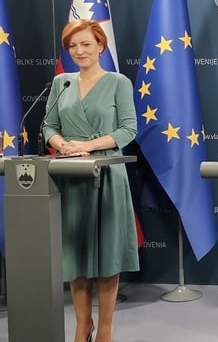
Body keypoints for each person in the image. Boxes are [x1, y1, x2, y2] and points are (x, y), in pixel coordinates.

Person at [43, 19, 139, 342]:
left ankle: (106, 328)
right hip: (71, 176)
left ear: (100, 46)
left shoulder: (118, 82)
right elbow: (48, 126)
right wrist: (63, 146)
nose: (79, 51)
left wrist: (87, 145)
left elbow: (128, 129)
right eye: (73, 46)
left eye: (86, 44)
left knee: (107, 253)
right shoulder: (62, 84)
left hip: (107, 176)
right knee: (75, 253)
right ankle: (83, 324)